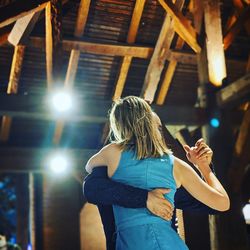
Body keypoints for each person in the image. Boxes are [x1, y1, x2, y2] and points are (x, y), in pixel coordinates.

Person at [85, 96, 230, 249]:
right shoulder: (176, 165)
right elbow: (91, 187)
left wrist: (204, 165)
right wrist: (203, 168)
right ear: (146, 125)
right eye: (158, 128)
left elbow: (89, 166)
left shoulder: (112, 153)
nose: (159, 134)